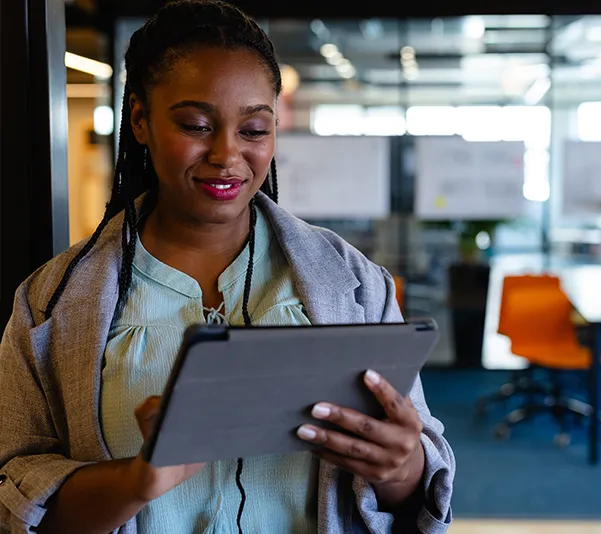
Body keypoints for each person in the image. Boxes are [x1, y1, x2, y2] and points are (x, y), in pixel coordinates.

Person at [0, 1, 455, 533]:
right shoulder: (51, 301)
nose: (226, 154)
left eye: (255, 130)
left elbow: (419, 476)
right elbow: (14, 494)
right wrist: (135, 481)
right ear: (141, 120)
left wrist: (402, 468)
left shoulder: (353, 281)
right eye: (196, 125)